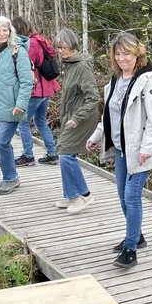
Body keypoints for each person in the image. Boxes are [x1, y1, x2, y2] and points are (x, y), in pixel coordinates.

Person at [87, 31, 152, 269]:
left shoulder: (148, 80)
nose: (123, 58)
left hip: (142, 150)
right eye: (118, 53)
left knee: (132, 197)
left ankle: (130, 248)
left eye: (127, 53)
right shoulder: (115, 80)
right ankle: (138, 236)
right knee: (122, 195)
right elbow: (109, 115)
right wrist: (96, 136)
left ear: (138, 54)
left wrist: (146, 148)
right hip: (122, 149)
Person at [0, 16, 34, 195]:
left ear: (10, 31)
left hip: (12, 106)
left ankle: (11, 178)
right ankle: (9, 177)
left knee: (0, 141)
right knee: (2, 144)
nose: (2, 34)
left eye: (5, 30)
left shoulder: (18, 51)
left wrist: (21, 104)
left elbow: (27, 81)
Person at [54, 28, 99, 215]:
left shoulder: (81, 66)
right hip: (71, 116)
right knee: (64, 152)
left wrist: (76, 118)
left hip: (82, 117)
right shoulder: (70, 64)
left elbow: (93, 97)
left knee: (65, 153)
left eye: (63, 47)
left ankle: (85, 195)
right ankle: (71, 195)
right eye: (58, 48)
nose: (60, 51)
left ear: (72, 46)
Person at [12, 16, 60, 166]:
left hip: (36, 89)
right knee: (40, 121)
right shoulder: (40, 39)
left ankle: (28, 155)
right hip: (47, 87)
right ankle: (52, 153)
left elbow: (25, 64)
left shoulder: (31, 44)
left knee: (23, 121)